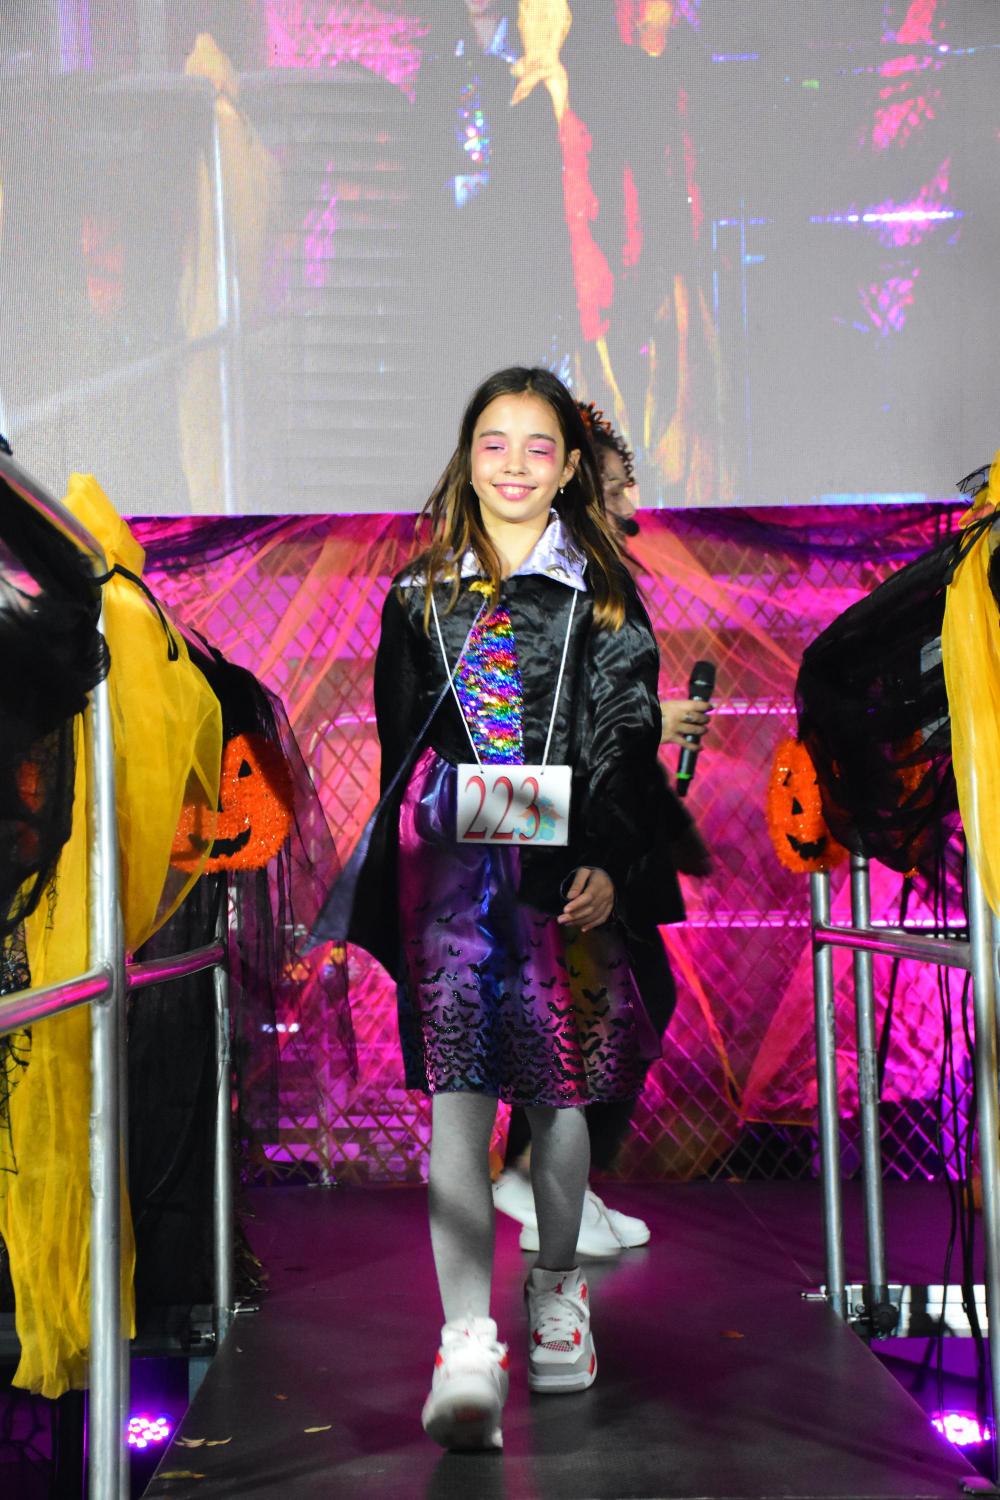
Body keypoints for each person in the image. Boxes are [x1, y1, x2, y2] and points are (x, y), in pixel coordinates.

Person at [335, 366, 672, 1451]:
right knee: (458, 1098)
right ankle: (466, 1340)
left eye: (538, 446)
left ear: (569, 467)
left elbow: (625, 738)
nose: (515, 465)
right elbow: (404, 747)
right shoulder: (420, 594)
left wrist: (606, 856)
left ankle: (559, 1291)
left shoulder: (601, 596)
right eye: (494, 442)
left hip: (560, 870)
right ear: (466, 457)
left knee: (560, 1097)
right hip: (450, 870)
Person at [494, 401, 712, 1257]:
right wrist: (648, 720)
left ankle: (559, 1183)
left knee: (619, 998)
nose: (633, 501)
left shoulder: (592, 573)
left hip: (593, 817)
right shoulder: (547, 573)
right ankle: (531, 1178)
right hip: (555, 821)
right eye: (618, 483)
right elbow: (542, 712)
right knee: (596, 1001)